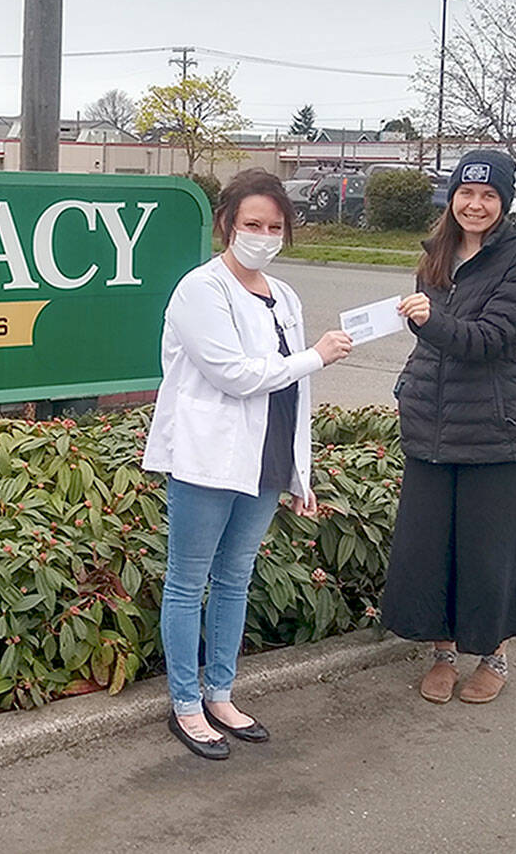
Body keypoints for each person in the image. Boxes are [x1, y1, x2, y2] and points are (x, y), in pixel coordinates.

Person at [142, 168, 353, 759]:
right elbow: (233, 374)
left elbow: (296, 395)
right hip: (208, 460)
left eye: (274, 226)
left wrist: (300, 473)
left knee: (235, 579)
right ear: (227, 225)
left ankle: (221, 693)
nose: (263, 234)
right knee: (188, 582)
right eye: (251, 224)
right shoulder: (200, 290)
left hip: (265, 459)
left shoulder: (284, 296)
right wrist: (315, 357)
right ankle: (186, 705)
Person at [381, 149, 516, 705]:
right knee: (431, 550)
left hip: (497, 432)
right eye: (466, 193)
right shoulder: (437, 255)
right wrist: (408, 388)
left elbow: (490, 340)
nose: (475, 205)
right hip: (432, 425)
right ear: (451, 197)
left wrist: (432, 321)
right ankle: (443, 652)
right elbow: (433, 341)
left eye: (489, 195)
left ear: (504, 202)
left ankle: (494, 657)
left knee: (489, 553)